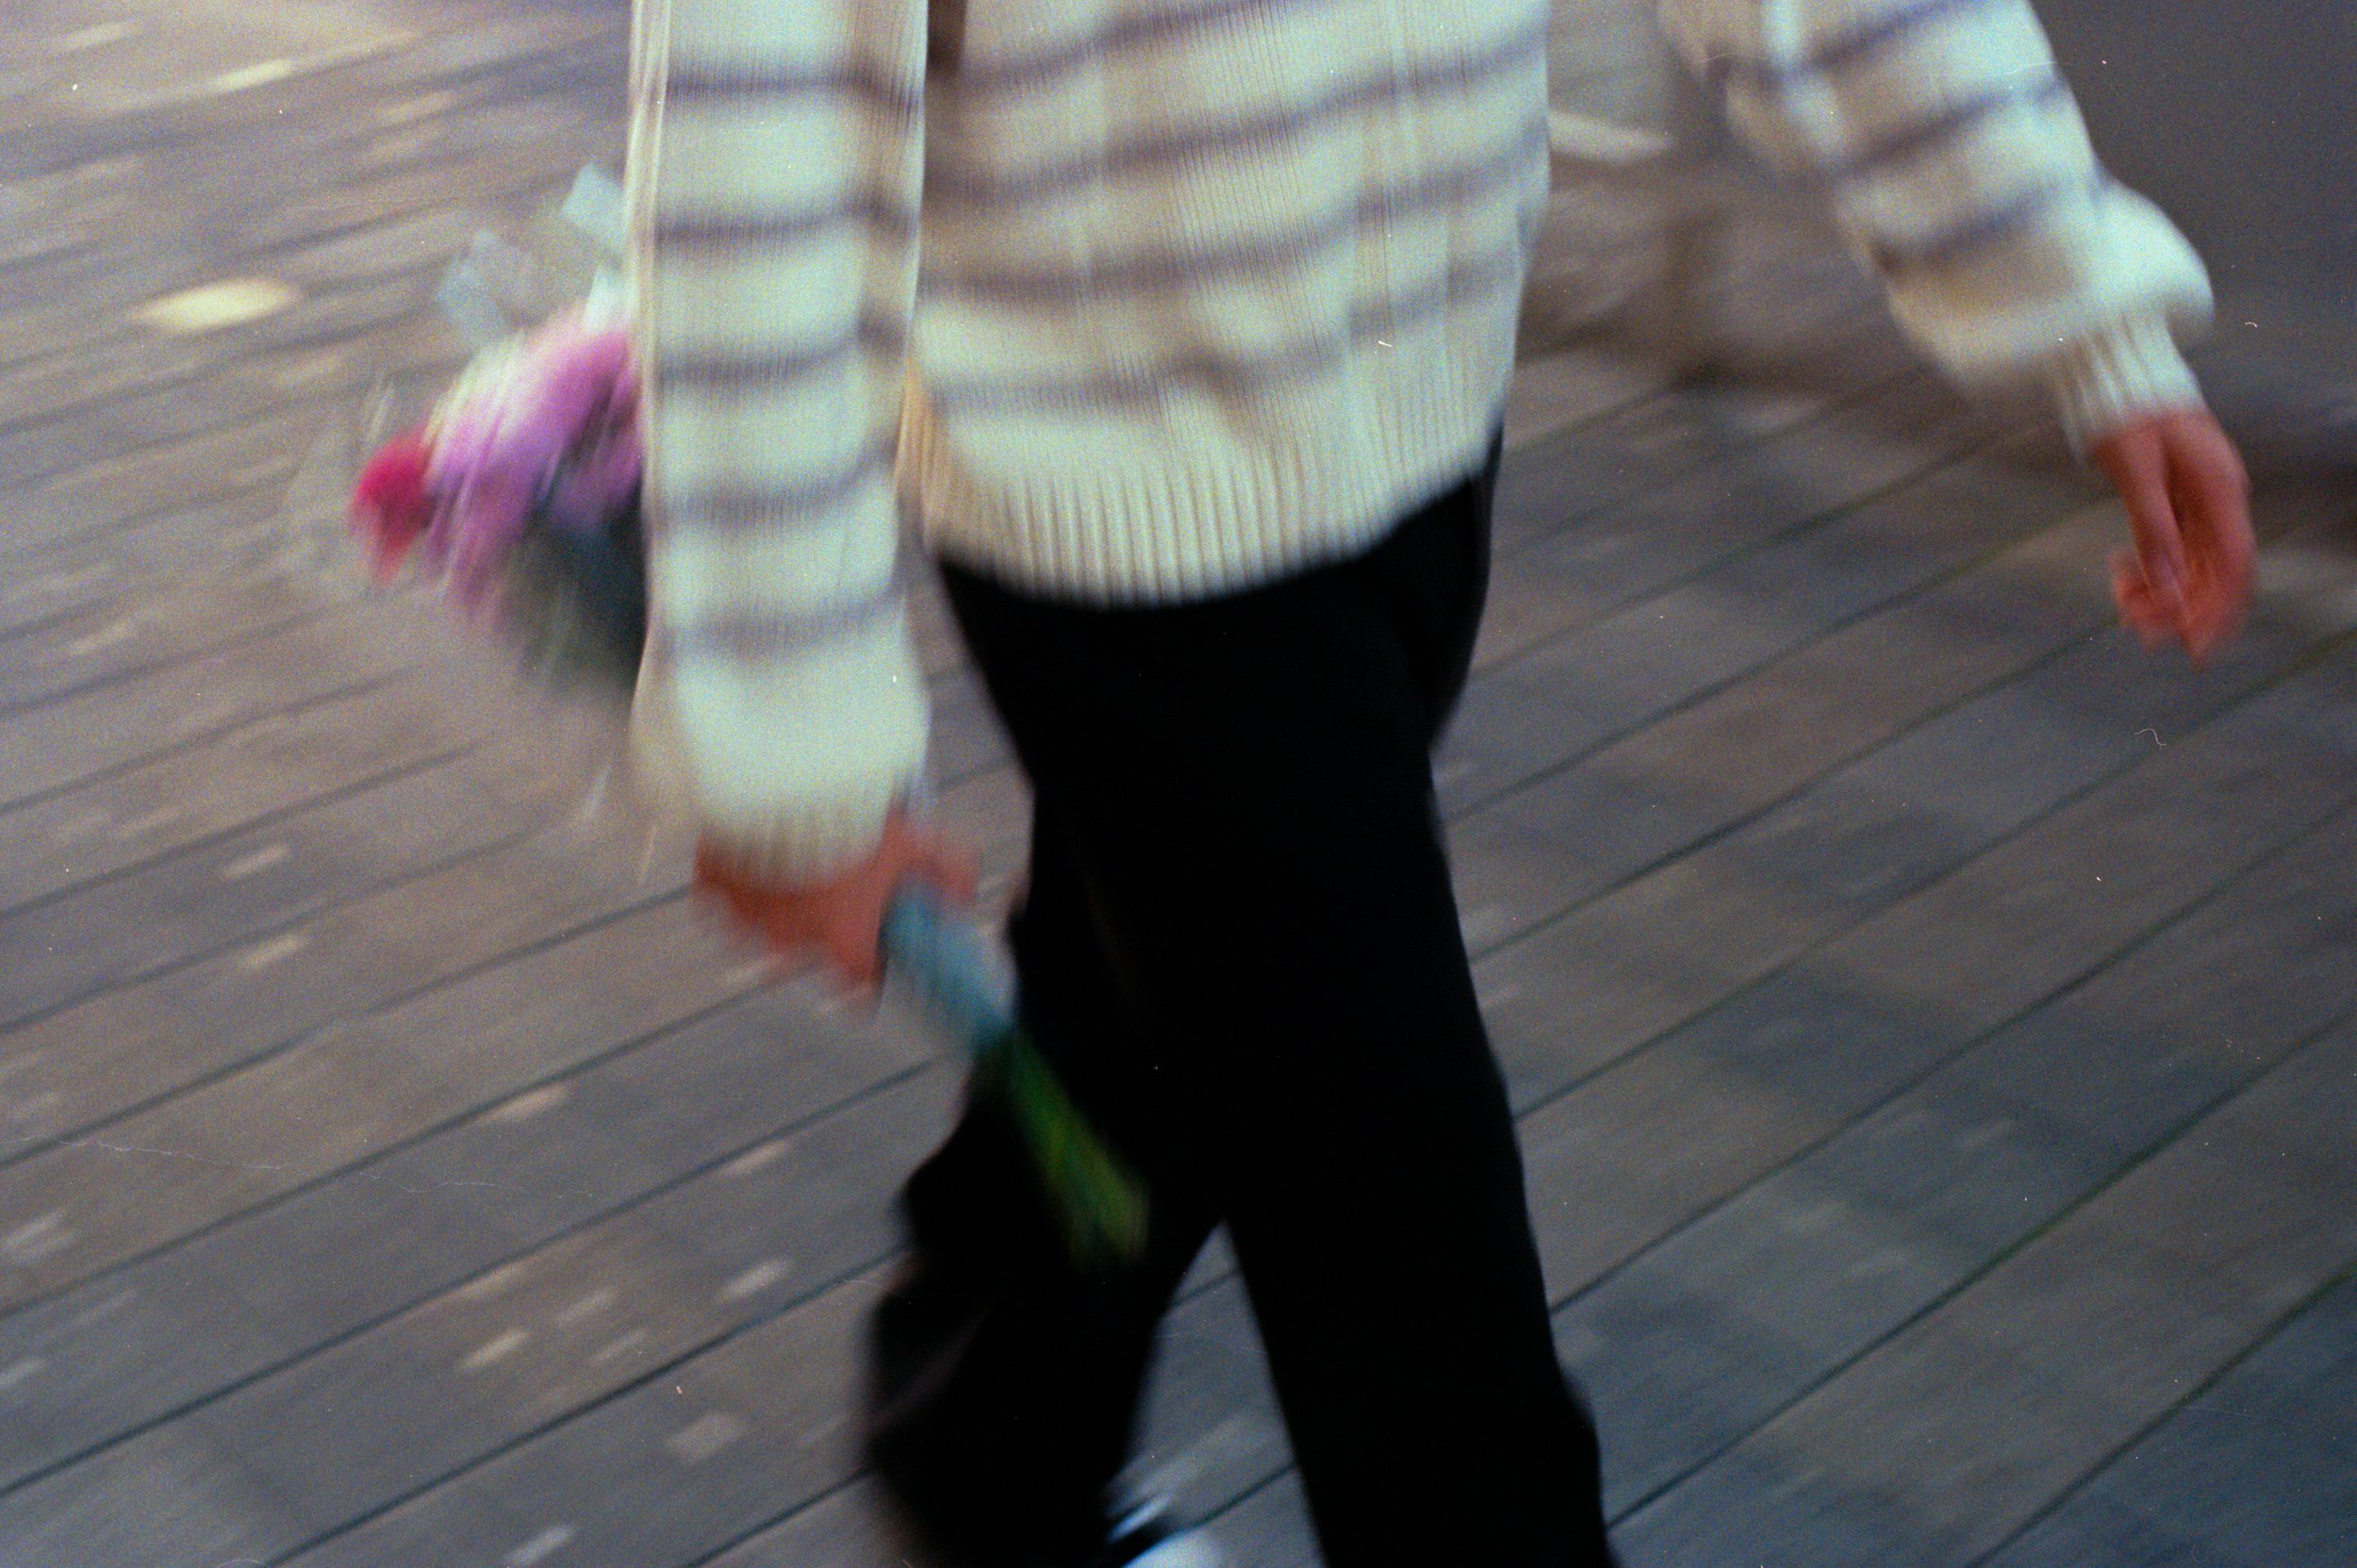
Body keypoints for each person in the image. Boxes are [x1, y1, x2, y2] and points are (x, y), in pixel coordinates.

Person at [626, 0, 2255, 1562]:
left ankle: (981, 1430)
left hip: (1417, 433)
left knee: (1166, 1007)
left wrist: (2082, 308)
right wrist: (786, 750)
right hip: (1111, 502)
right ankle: (1003, 1436)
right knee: (1400, 1226)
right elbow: (761, 142)